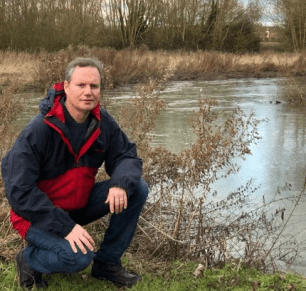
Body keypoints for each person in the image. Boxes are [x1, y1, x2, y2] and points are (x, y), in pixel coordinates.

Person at [1, 57, 148, 289]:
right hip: (36, 216)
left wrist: (120, 184)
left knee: (136, 187)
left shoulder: (102, 122)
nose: (88, 92)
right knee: (78, 258)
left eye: (94, 86)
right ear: (66, 87)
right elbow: (19, 191)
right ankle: (28, 259)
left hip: (77, 205)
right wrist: (65, 227)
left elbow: (126, 155)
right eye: (81, 85)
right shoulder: (39, 130)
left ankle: (107, 263)